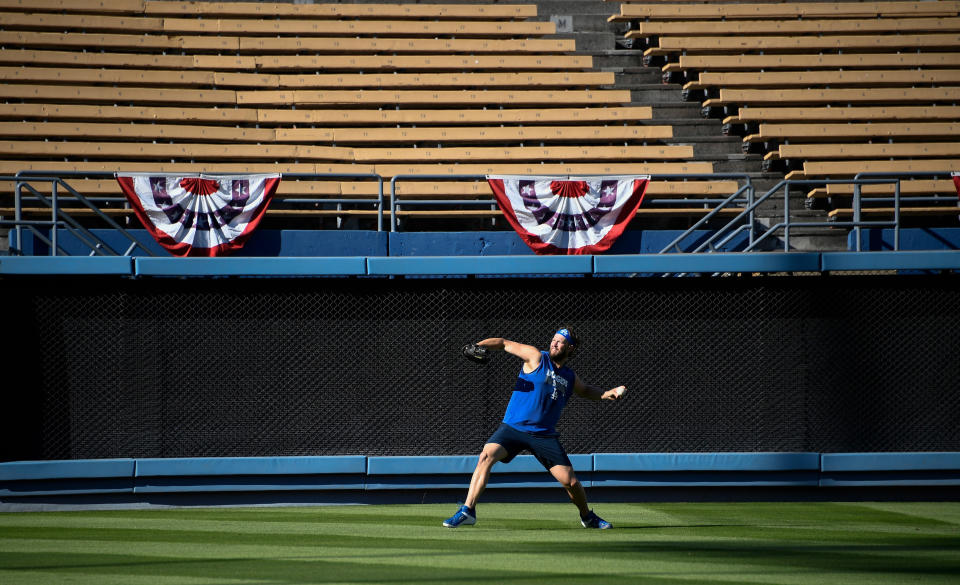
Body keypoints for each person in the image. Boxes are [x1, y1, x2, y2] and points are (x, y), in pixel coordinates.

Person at [444, 327, 626, 529]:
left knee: (571, 483)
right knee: (487, 455)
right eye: (554, 339)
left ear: (570, 348)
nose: (554, 343)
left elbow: (585, 390)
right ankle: (468, 510)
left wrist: (607, 393)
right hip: (513, 427)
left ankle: (587, 517)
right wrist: (479, 345)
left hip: (543, 435)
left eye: (560, 341)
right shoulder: (536, 357)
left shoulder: (569, 376)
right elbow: (504, 343)